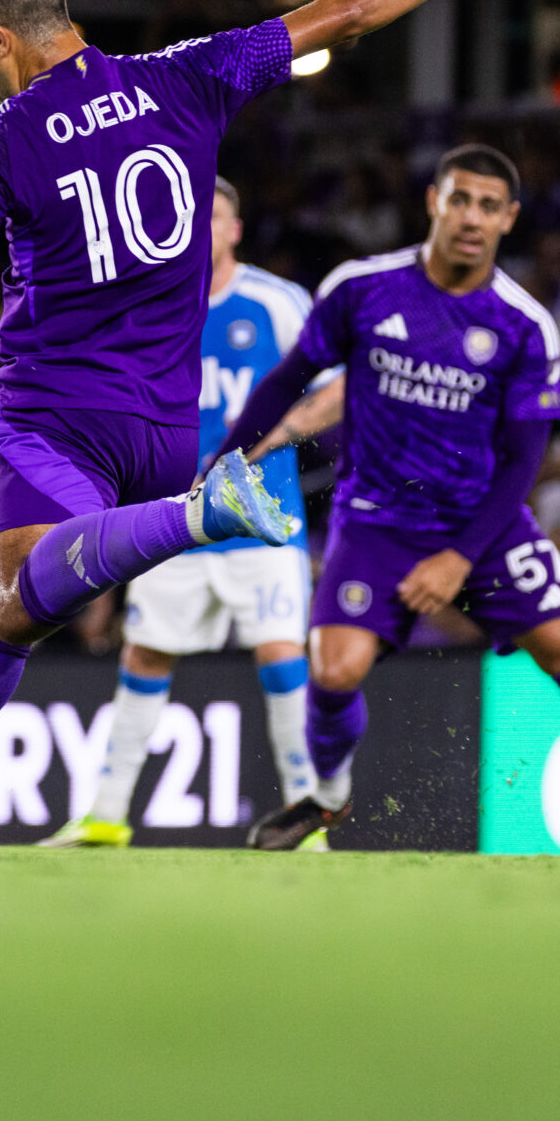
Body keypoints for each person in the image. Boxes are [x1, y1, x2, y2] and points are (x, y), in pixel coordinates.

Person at [0, 0, 518, 850]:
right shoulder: (183, 75)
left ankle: (201, 514)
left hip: (55, 421)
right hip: (161, 432)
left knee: (9, 585)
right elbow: (343, 11)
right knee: (1, 618)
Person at [221, 145, 560, 855]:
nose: (472, 218)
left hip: (482, 523)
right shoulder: (362, 288)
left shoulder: (524, 324)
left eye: (489, 206)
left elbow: (525, 461)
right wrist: (228, 458)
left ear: (510, 219)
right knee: (333, 673)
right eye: (461, 199)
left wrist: (460, 556)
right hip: (375, 520)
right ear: (434, 200)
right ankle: (328, 795)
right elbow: (288, 380)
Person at [45, 179, 346, 848]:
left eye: (215, 215)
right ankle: (106, 813)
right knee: (146, 653)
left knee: (280, 654)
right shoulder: (146, 309)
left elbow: (337, 389)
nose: (202, 226)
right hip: (171, 521)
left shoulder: (275, 301)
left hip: (261, 522)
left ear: (235, 228)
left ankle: (308, 819)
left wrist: (275, 435)